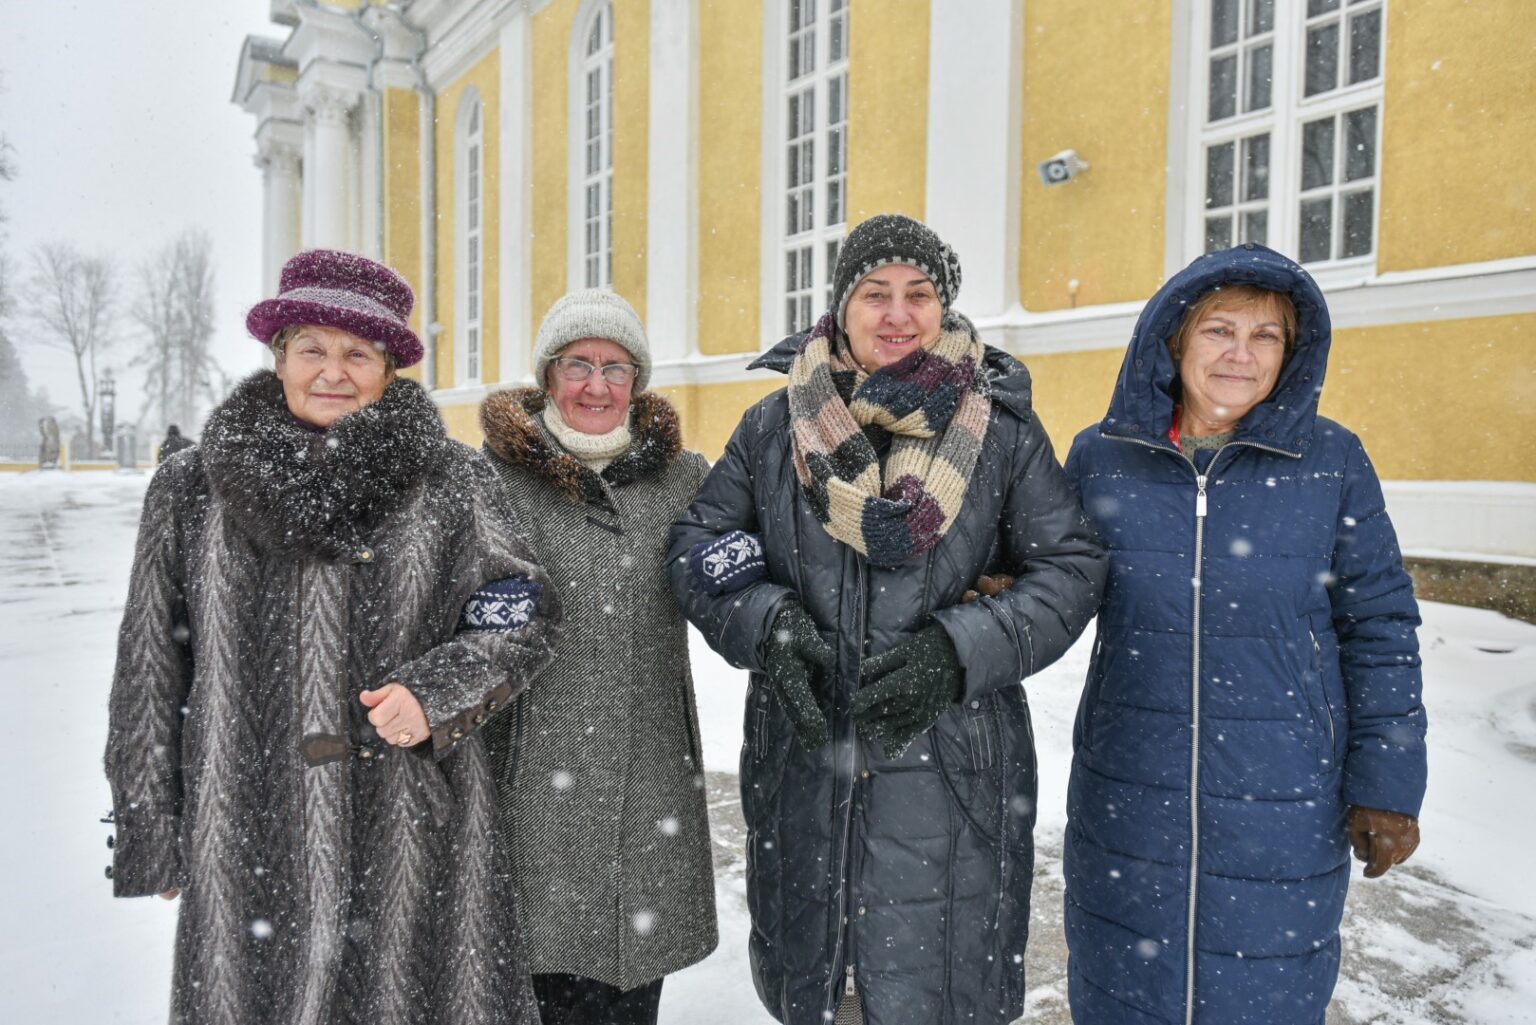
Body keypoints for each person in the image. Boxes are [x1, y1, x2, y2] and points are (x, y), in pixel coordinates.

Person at [668, 214, 1107, 1025]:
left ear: (945, 307)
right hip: (805, 764)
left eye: (919, 293)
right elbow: (702, 547)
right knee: (820, 986)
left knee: (934, 988)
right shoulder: (773, 428)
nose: (898, 313)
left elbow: (1072, 568)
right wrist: (770, 623)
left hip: (954, 773)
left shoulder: (1000, 430)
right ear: (841, 305)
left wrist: (959, 648)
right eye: (876, 293)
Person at [103, 248, 560, 1025]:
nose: (333, 371)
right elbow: (150, 662)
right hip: (244, 830)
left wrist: (437, 691)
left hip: (416, 829)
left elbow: (522, 609)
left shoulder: (454, 480)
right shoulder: (190, 487)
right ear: (278, 357)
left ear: (388, 368)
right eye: (312, 348)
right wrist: (153, 820)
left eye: (358, 353)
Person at [1061, 243, 1427, 1025]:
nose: (1241, 354)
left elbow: (1381, 626)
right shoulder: (1103, 458)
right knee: (1124, 989)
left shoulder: (1331, 461)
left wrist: (1388, 785)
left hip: (1283, 801)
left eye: (1266, 337)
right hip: (1130, 793)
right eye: (1218, 330)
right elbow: (1043, 587)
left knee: (1262, 994)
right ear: (1174, 341)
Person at [477, 289, 717, 1025]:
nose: (596, 385)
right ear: (548, 375)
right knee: (534, 987)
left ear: (638, 383)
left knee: (629, 990)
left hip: (648, 785)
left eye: (617, 368)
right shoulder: (491, 479)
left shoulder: (683, 478)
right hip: (530, 782)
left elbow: (732, 583)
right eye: (577, 363)